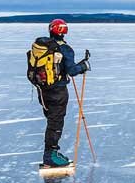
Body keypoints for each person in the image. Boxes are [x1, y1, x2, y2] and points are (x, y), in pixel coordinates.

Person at [27, 19, 90, 169]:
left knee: (51, 120)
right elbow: (72, 71)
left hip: (42, 90)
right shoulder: (65, 49)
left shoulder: (42, 46)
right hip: (57, 91)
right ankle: (50, 156)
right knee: (56, 122)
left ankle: (51, 153)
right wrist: (84, 65)